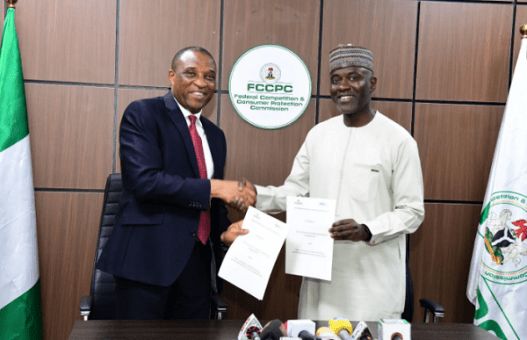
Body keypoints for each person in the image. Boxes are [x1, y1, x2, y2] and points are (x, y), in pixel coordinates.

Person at [254, 44, 425, 320]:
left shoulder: (398, 140)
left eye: (354, 77)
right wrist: (254, 195)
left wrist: (367, 229)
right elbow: (294, 193)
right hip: (320, 282)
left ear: (373, 83)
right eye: (336, 79)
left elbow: (412, 212)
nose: (343, 86)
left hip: (372, 284)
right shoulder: (318, 135)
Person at [97, 46, 254, 320]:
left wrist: (225, 232)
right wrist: (216, 187)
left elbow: (211, 205)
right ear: (171, 76)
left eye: (209, 76)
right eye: (191, 73)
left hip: (197, 272)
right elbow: (144, 181)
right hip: (146, 265)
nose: (201, 83)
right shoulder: (143, 114)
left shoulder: (216, 137)